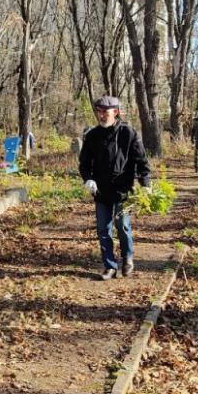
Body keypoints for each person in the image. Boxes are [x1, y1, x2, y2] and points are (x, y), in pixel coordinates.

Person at [78, 96, 152, 280]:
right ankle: (109, 266)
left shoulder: (129, 133)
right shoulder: (92, 136)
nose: (101, 115)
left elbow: (142, 161)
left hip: (123, 190)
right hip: (101, 191)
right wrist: (88, 179)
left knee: (123, 226)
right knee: (103, 229)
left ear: (116, 112)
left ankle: (127, 259)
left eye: (105, 112)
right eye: (99, 112)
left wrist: (145, 184)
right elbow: (84, 163)